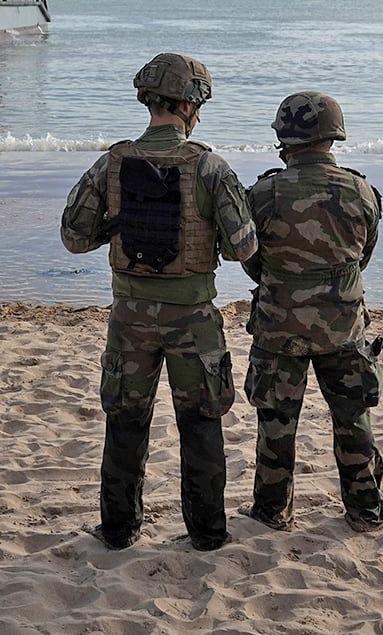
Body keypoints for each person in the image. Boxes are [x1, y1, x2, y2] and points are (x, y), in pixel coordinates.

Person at [60, 53, 258, 552]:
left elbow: (73, 237)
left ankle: (118, 530)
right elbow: (243, 247)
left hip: (128, 318)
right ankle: (208, 535)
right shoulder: (210, 167)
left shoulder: (111, 163)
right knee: (201, 423)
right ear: (191, 105)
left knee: (125, 421)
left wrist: (120, 226)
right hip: (194, 318)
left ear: (150, 100)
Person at [241, 92, 383, 534]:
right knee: (353, 421)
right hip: (343, 328)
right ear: (333, 135)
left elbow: (252, 262)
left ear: (285, 138)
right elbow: (363, 257)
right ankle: (365, 509)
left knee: (276, 423)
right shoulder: (361, 191)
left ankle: (272, 512)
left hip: (278, 329)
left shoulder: (264, 193)